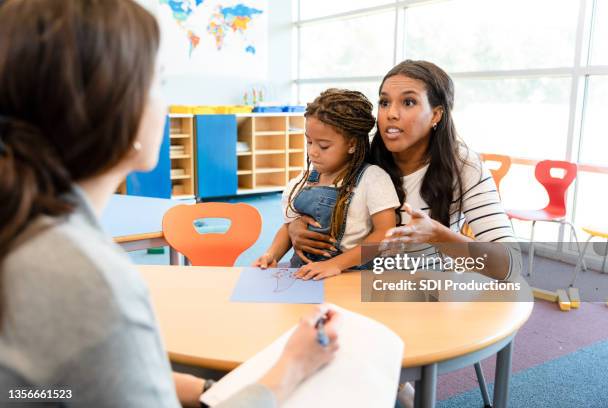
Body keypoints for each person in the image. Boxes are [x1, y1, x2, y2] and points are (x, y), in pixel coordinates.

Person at [0, 1, 338, 407]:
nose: (165, 103)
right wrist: (293, 367)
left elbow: (54, 386)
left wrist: (204, 391)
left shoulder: (27, 228)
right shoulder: (91, 281)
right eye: (158, 82)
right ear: (115, 108)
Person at [288, 60, 521, 283]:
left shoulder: (465, 167)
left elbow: (510, 265)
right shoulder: (358, 153)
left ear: (436, 115)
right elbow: (311, 200)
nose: (391, 113)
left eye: (408, 102)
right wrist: (295, 228)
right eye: (384, 102)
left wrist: (438, 235)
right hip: (352, 286)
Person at [253, 89, 399, 280]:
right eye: (309, 141)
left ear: (352, 144)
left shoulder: (373, 178)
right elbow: (289, 227)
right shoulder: (302, 180)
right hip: (304, 276)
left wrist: (335, 264)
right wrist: (272, 255)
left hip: (348, 276)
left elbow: (385, 233)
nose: (313, 152)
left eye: (323, 146)